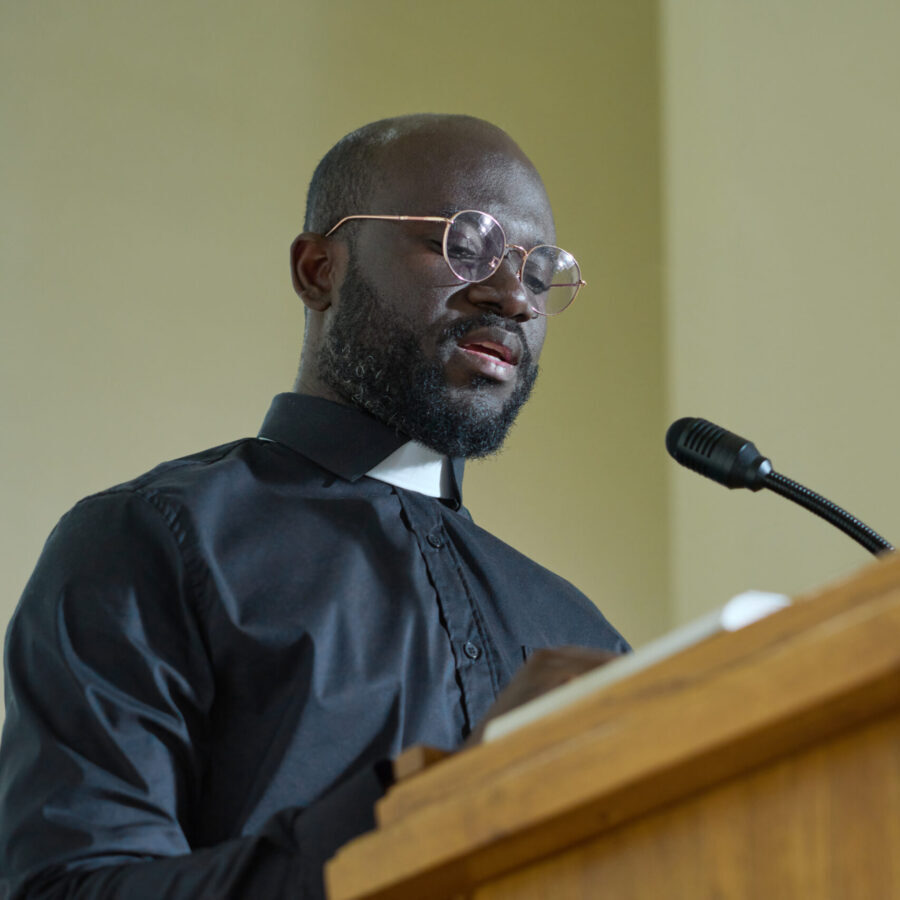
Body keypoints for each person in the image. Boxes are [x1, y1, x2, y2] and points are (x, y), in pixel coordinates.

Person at [0, 114, 628, 899]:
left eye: (540, 275)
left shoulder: (578, 631)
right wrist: (436, 803)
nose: (515, 298)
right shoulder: (148, 540)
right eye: (466, 244)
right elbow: (72, 887)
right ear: (318, 269)